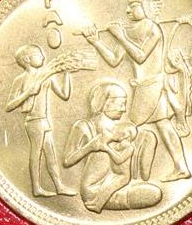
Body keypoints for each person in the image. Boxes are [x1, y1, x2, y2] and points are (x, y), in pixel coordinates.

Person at [82, 0, 192, 182]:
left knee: (130, 127)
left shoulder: (153, 29)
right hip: (144, 86)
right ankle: (180, 167)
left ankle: (126, 173)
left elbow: (140, 56)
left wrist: (120, 36)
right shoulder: (129, 31)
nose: (127, 10)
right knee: (164, 126)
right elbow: (114, 60)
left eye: (133, 5)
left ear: (147, 6)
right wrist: (95, 41)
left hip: (152, 86)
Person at [63, 81, 161, 213]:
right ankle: (101, 199)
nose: (124, 109)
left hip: (118, 183)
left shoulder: (121, 130)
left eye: (124, 104)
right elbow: (67, 161)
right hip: (93, 190)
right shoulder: (84, 126)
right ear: (105, 103)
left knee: (154, 193)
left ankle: (120, 195)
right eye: (120, 104)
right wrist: (91, 147)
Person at [5, 44, 74, 197]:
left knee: (51, 154)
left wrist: (67, 74)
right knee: (36, 154)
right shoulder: (20, 80)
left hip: (44, 120)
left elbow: (64, 95)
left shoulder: (47, 76)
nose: (43, 56)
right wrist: (28, 93)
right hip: (33, 121)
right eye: (38, 54)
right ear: (27, 59)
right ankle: (36, 188)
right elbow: (9, 106)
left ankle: (59, 186)